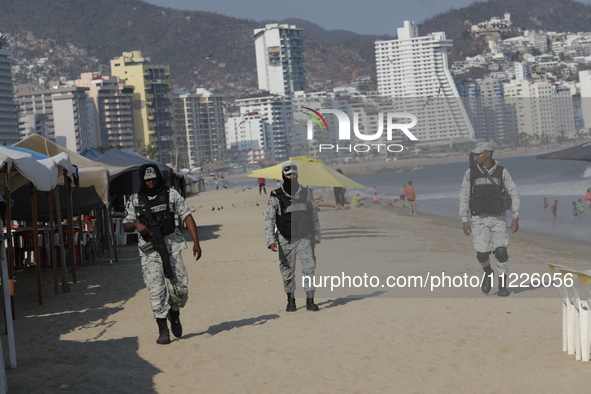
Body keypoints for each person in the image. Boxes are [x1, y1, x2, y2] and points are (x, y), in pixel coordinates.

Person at [123, 164, 202, 345]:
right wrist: (136, 225)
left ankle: (174, 312)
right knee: (155, 289)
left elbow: (187, 216)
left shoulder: (170, 194)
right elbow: (126, 224)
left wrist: (196, 242)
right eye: (146, 179)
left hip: (172, 245)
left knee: (180, 288)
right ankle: (163, 330)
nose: (150, 182)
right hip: (149, 250)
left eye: (153, 179)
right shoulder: (135, 199)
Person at [459, 142, 520, 297]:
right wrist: (464, 219)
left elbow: (514, 193)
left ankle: (502, 285)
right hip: (478, 218)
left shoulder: (502, 172)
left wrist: (515, 216)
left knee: (501, 251)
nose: (475, 156)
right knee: (482, 254)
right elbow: (464, 195)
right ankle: (487, 271)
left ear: (488, 153)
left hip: (498, 217)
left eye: (478, 154)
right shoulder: (470, 173)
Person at [264, 163, 321, 312]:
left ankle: (310, 300)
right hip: (285, 239)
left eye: (294, 175)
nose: (292, 177)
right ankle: (291, 300)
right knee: (287, 272)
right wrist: (270, 240)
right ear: (283, 176)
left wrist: (316, 234)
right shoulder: (276, 196)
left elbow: (313, 214)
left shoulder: (306, 193)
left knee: (309, 268)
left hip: (304, 238)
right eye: (289, 175)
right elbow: (269, 219)